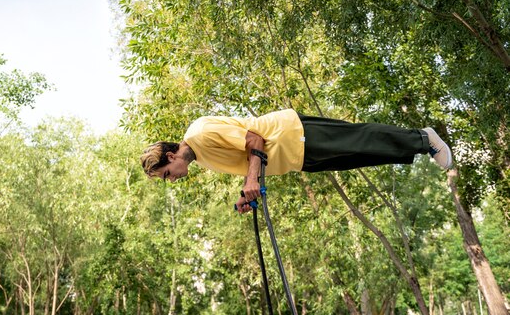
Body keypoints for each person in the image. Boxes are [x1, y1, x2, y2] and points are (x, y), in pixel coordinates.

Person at [140, 109, 452, 213]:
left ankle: (423, 138)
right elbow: (251, 160)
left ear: (170, 157)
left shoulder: (200, 134)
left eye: (167, 175)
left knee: (360, 139)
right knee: (361, 154)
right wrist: (248, 192)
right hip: (296, 158)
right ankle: (418, 146)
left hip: (293, 135)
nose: (172, 181)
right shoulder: (203, 156)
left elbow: (255, 141)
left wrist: (251, 180)